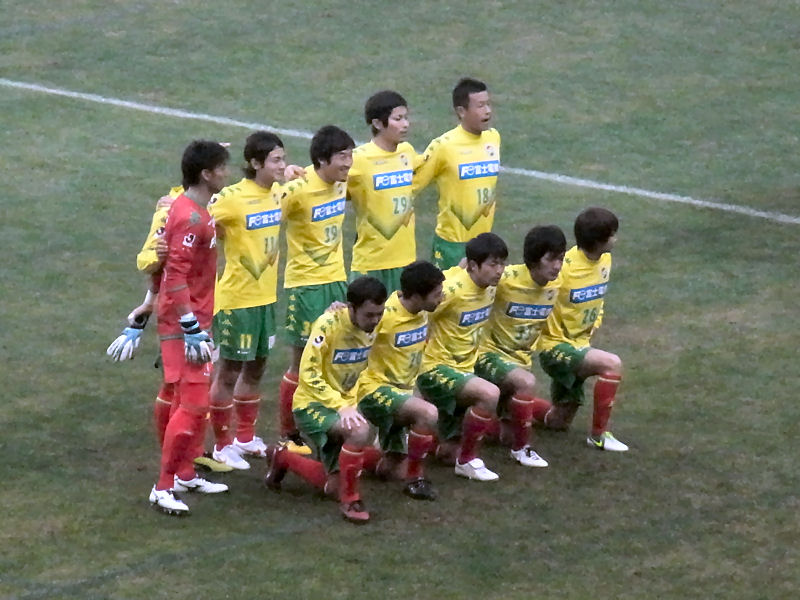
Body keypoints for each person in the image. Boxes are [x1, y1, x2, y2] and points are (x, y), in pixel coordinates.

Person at [207, 131, 304, 469]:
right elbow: (196, 210)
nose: (282, 164)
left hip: (266, 299)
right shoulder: (232, 198)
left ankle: (245, 437)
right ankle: (221, 445)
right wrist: (171, 200)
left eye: (282, 158)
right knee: (229, 372)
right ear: (255, 163)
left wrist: (293, 173)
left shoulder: (278, 194)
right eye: (276, 160)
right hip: (237, 301)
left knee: (257, 367)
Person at [148, 139, 231, 516]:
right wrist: (189, 325)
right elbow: (176, 274)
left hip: (195, 318)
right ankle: (162, 486)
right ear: (206, 174)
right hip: (185, 323)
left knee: (190, 402)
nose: (226, 174)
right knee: (195, 404)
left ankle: (183, 473)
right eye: (222, 168)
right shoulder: (190, 218)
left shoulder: (199, 209)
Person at [264, 277, 387, 523]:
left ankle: (282, 457)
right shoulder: (328, 324)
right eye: (369, 315)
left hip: (344, 406)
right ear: (351, 308)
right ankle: (351, 500)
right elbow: (308, 374)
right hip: (313, 405)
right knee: (359, 431)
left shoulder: (377, 321)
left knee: (334, 485)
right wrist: (341, 406)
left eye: (379, 314)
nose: (375, 321)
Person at [278, 125, 355, 455]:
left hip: (337, 281)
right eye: (342, 156)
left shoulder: (342, 181)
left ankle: (328, 424)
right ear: (322, 160)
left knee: (332, 358)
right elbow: (266, 215)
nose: (348, 163)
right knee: (301, 363)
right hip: (305, 287)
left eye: (350, 155)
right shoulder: (297, 189)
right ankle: (288, 433)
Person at [473, 225, 568, 467]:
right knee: (526, 383)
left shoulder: (557, 284)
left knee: (504, 436)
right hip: (487, 356)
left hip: (520, 363)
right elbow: (468, 277)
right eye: (551, 259)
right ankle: (523, 450)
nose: (557, 266)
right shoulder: (506, 280)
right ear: (534, 259)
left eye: (561, 259)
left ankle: (469, 421)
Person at [416, 233, 507, 482]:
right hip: (436, 369)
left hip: (465, 370)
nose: (499, 271)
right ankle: (467, 461)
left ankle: (417, 438)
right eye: (493, 264)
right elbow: (415, 313)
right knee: (489, 394)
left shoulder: (490, 285)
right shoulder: (451, 290)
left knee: (447, 453)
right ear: (473, 265)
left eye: (502, 264)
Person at [537, 207, 628, 452]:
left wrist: (595, 322)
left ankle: (510, 406)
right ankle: (599, 436)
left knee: (558, 421)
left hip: (580, 345)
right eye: (612, 234)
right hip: (555, 348)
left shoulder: (605, 260)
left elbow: (598, 298)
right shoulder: (563, 268)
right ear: (599, 240)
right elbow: (536, 295)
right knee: (611, 364)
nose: (616, 239)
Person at [357, 261, 445, 500]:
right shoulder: (385, 316)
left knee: (393, 469)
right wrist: (336, 310)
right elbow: (352, 326)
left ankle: (340, 457)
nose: (442, 298)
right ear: (416, 296)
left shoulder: (424, 309)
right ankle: (415, 480)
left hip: (401, 394)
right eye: (437, 295)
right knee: (427, 413)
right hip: (375, 391)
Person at [413, 78, 501, 270]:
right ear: (461, 111)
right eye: (480, 106)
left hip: (484, 243)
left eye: (488, 104)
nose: (487, 111)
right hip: (452, 245)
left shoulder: (493, 138)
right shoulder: (444, 146)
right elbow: (411, 185)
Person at [347, 90, 420, 293]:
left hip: (406, 260)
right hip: (371, 263)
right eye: (398, 119)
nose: (405, 124)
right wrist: (293, 172)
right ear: (378, 123)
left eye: (405, 118)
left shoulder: (407, 152)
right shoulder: (359, 159)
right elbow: (325, 176)